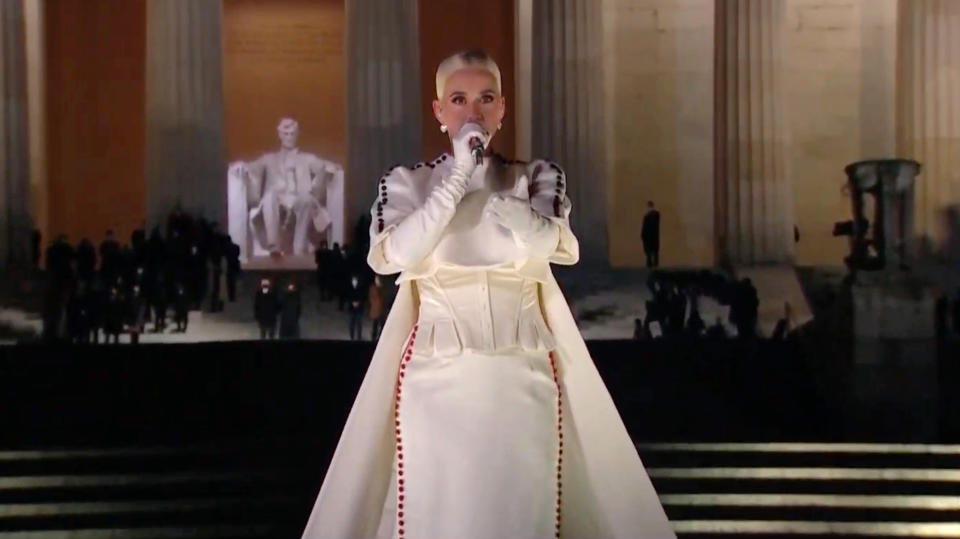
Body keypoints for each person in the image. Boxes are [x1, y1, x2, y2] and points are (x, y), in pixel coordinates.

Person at [301, 49, 674, 539]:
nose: (472, 112)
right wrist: (456, 177)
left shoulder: (535, 176)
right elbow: (393, 255)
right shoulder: (407, 182)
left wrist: (519, 215)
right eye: (458, 99)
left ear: (501, 109)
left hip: (521, 374)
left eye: (485, 99)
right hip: (436, 380)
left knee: (521, 514)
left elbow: (558, 247)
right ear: (439, 112)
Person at [642, 200, 660, 268]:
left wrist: (643, 234)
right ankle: (653, 264)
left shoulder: (649, 215)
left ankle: (651, 264)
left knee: (650, 250)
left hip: (649, 235)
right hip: (653, 235)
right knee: (653, 251)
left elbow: (646, 226)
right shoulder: (654, 214)